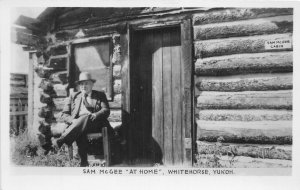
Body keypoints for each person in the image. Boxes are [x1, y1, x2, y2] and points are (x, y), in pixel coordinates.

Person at [52, 71, 114, 167]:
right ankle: (83, 162)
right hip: (78, 126)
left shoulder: (99, 95)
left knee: (86, 116)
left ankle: (61, 140)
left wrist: (96, 114)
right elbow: (64, 114)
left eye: (86, 84)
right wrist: (73, 121)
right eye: (81, 84)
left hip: (95, 124)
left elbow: (106, 110)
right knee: (81, 128)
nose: (83, 86)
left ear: (92, 84)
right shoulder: (74, 96)